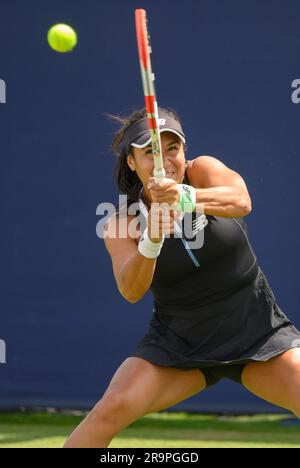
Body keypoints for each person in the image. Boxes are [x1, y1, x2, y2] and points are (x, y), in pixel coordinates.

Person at [64, 107, 300, 448]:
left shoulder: (203, 171)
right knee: (111, 407)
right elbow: (131, 290)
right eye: (151, 152)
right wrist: (151, 241)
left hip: (257, 331)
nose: (166, 160)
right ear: (132, 162)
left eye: (172, 148)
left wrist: (185, 197)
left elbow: (241, 200)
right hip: (178, 344)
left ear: (184, 151)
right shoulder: (121, 223)